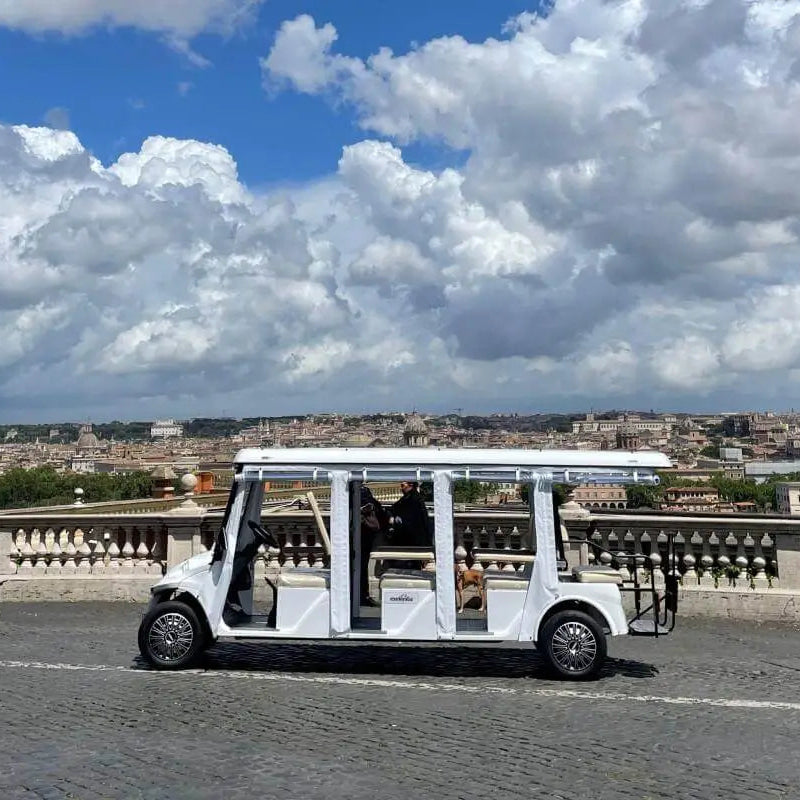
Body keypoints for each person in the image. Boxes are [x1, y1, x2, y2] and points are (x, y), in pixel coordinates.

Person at [357, 485, 389, 606]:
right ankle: (363, 594)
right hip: (367, 536)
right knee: (362, 566)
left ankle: (358, 594)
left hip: (360, 535)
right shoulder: (368, 497)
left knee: (358, 566)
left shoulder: (358, 495)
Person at [388, 480, 433, 550]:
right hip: (409, 537)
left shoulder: (415, 499)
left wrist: (397, 520)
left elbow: (413, 520)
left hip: (413, 539)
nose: (401, 489)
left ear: (411, 485)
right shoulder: (406, 498)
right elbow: (394, 508)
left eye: (403, 486)